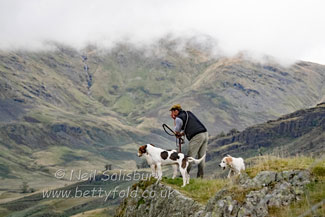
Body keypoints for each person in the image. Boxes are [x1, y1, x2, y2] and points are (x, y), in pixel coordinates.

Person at [169, 104, 208, 178]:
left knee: (189, 157)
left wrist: (174, 119)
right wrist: (183, 133)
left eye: (172, 112)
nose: (171, 114)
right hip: (205, 134)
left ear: (176, 111)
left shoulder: (178, 118)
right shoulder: (188, 113)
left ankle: (183, 176)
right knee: (201, 158)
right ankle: (200, 177)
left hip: (197, 137)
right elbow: (190, 126)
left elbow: (177, 130)